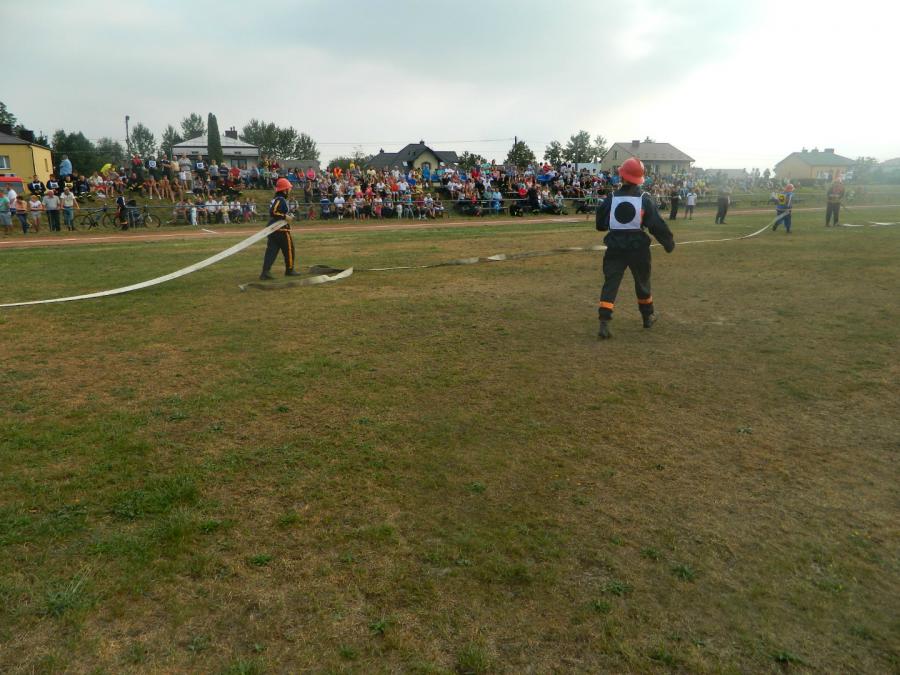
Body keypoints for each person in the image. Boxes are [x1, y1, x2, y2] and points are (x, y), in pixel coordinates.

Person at [595, 157, 675, 339]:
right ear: (640, 179)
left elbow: (600, 224)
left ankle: (604, 322)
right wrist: (668, 243)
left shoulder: (611, 198)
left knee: (611, 283)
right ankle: (647, 317)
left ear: (622, 176)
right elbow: (656, 224)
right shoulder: (644, 199)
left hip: (614, 248)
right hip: (639, 249)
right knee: (642, 282)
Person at [259, 177, 300, 280]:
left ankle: (265, 272)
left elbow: (276, 212)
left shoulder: (276, 199)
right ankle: (289, 270)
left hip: (273, 230)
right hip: (281, 230)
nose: (290, 190)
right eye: (289, 188)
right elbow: (273, 212)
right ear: (284, 190)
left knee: (271, 251)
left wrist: (287, 215)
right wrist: (285, 217)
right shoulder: (280, 199)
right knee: (289, 249)